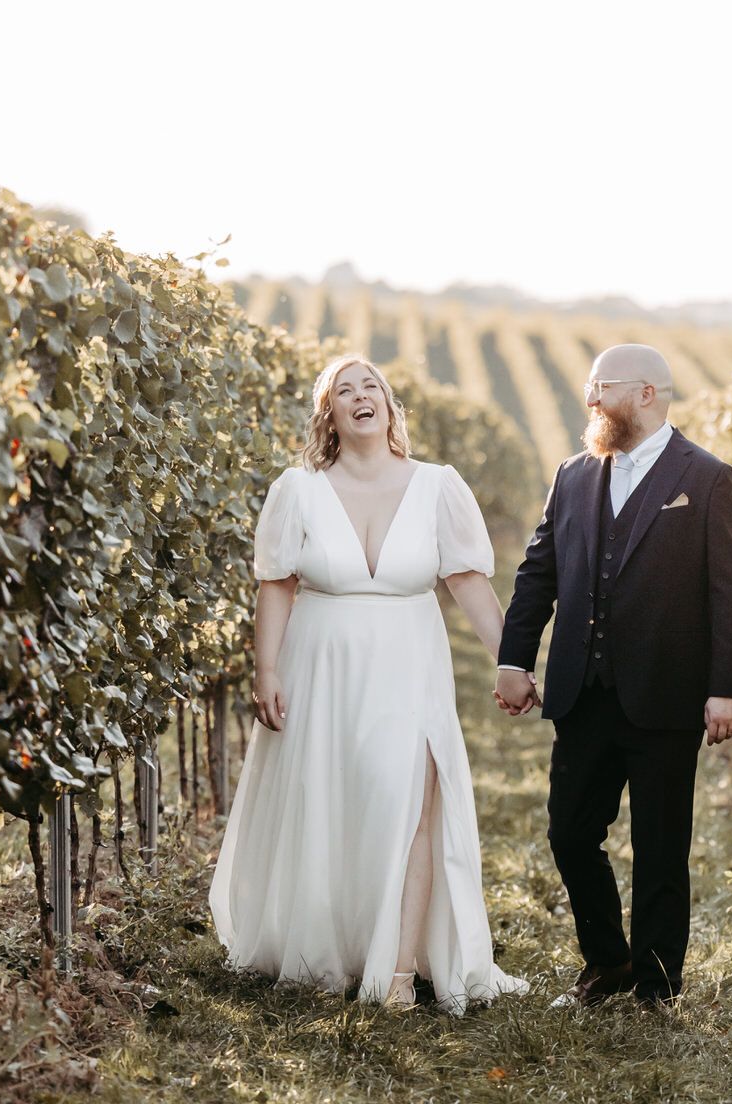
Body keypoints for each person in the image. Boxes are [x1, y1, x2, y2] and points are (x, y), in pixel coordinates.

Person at [209, 354, 529, 1014]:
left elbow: (467, 580)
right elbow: (276, 585)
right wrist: (266, 670)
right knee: (333, 798)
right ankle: (335, 946)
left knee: (408, 801)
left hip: (410, 659)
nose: (361, 395)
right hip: (319, 661)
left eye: (371, 386)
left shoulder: (437, 485)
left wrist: (511, 661)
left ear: (388, 406)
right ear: (330, 415)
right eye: (344, 390)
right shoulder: (297, 490)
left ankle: (400, 972)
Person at [495, 343, 732, 1010]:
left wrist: (728, 686)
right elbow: (538, 575)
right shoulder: (573, 476)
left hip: (665, 695)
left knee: (662, 847)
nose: (589, 399)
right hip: (584, 690)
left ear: (647, 393)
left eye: (600, 386)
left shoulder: (708, 477)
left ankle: (656, 984)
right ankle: (608, 962)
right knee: (570, 833)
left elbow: (731, 592)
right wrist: (514, 659)